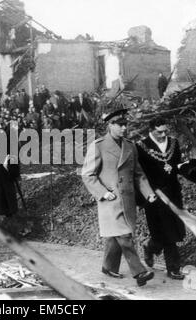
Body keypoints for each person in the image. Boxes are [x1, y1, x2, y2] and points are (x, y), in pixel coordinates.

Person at [81, 109, 157, 287]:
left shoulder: (130, 146)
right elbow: (88, 174)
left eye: (126, 124)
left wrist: (149, 193)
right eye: (120, 125)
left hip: (128, 199)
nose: (124, 128)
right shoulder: (98, 145)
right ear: (110, 125)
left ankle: (108, 266)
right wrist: (102, 192)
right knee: (124, 236)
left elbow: (139, 174)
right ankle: (139, 272)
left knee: (114, 236)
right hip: (111, 199)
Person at [136, 117, 187, 280]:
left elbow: (177, 164)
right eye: (159, 132)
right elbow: (139, 175)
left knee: (173, 230)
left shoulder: (173, 143)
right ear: (150, 130)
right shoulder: (141, 147)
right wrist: (143, 197)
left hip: (173, 193)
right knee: (163, 232)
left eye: (165, 131)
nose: (163, 134)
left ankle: (159, 255)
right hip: (154, 195)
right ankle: (165, 260)